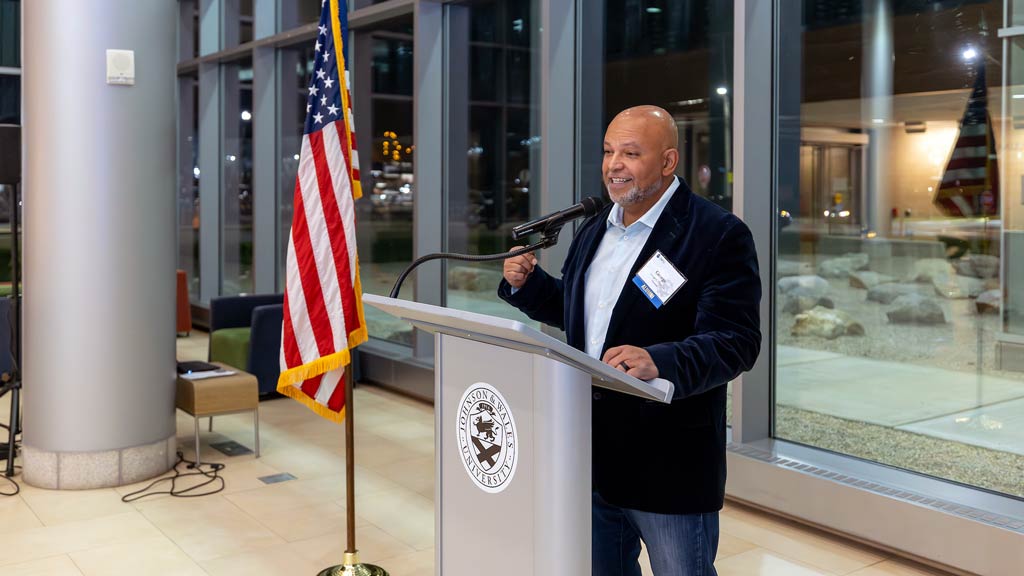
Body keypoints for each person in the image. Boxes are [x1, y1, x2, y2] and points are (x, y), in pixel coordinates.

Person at [498, 105, 762, 576]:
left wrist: (660, 360)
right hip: (593, 453)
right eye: (608, 151)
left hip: (668, 463)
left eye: (631, 153)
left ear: (667, 161)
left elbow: (736, 340)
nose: (613, 164)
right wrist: (528, 287)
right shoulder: (597, 226)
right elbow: (585, 320)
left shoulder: (716, 234)